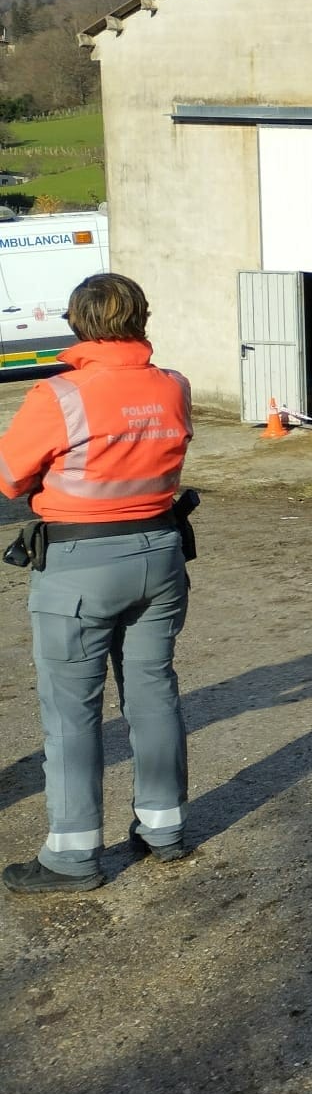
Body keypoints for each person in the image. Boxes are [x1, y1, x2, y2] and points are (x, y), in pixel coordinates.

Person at [0, 272, 193, 893]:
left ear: (78, 322)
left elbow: (8, 479)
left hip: (80, 568)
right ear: (142, 318)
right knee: (153, 692)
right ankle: (163, 828)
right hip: (161, 556)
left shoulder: (59, 395)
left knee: (72, 715)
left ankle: (72, 855)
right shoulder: (174, 387)